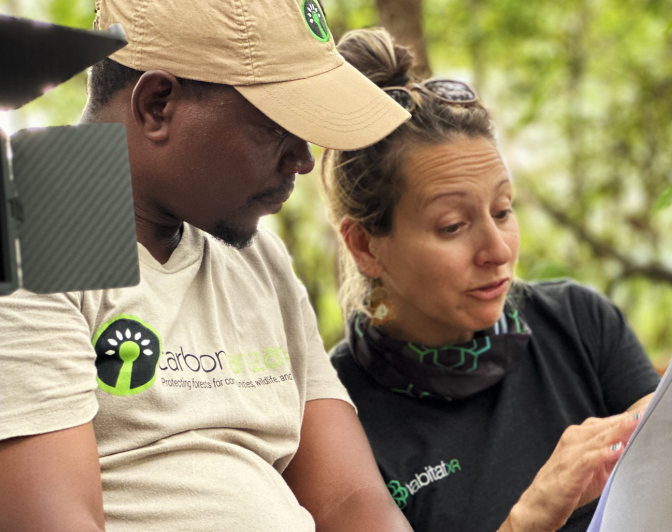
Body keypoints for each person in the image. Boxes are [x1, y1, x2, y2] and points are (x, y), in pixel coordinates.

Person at [321, 27, 672, 532]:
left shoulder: (578, 324)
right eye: (453, 226)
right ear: (365, 246)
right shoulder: (335, 418)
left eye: (503, 211)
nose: (497, 251)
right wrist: (530, 517)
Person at [0, 1, 416, 531]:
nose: (304, 159)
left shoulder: (256, 259)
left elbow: (351, 502)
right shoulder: (31, 227)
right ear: (157, 105)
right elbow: (54, 521)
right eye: (277, 126)